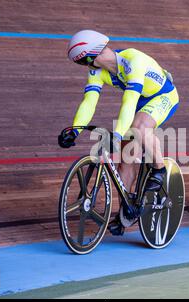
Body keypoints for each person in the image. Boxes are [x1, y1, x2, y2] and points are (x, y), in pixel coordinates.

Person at [58, 30, 180, 234]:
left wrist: (117, 134)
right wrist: (75, 130)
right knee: (125, 162)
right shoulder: (96, 71)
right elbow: (89, 102)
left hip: (162, 96)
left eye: (82, 61)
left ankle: (158, 169)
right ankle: (127, 210)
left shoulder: (133, 61)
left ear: (91, 56)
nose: (84, 66)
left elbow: (129, 102)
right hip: (141, 99)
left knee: (139, 127)